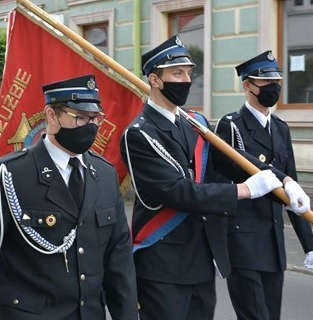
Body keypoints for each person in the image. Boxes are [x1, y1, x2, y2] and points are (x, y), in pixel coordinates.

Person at [0, 75, 138, 320]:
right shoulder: (11, 174)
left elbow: (119, 261)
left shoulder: (104, 174)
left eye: (95, 119)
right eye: (80, 118)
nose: (90, 126)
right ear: (52, 116)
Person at [120, 36, 289, 320]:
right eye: (177, 73)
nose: (186, 80)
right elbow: (178, 192)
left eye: (188, 73)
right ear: (154, 79)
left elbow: (230, 158)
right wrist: (244, 191)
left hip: (200, 259)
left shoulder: (194, 122)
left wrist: (281, 179)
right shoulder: (139, 133)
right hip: (163, 262)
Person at [211, 50, 313, 320]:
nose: (274, 88)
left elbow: (293, 189)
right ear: (247, 85)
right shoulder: (231, 127)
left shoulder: (281, 129)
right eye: (266, 82)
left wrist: (309, 242)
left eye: (277, 82)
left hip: (273, 244)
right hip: (242, 243)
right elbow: (232, 170)